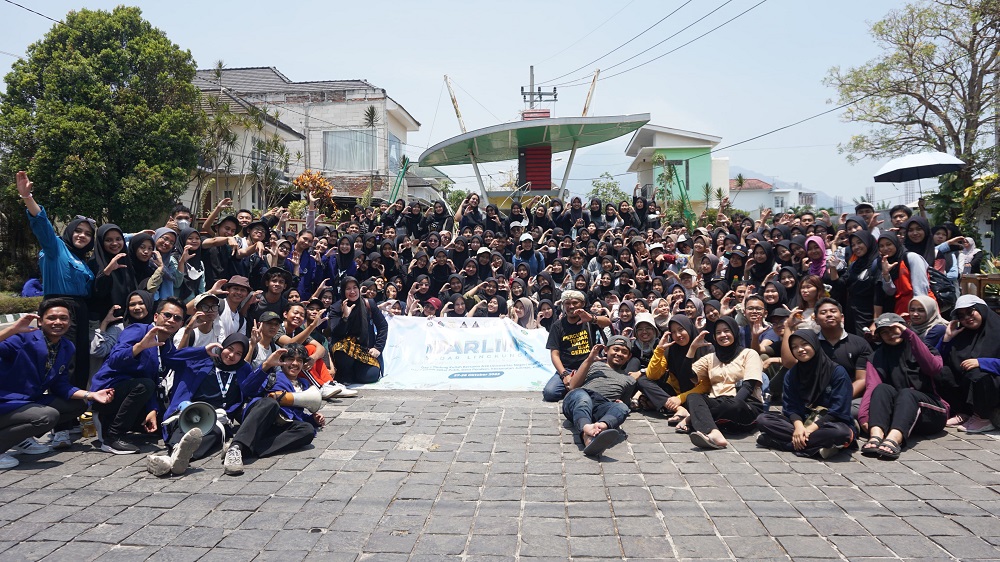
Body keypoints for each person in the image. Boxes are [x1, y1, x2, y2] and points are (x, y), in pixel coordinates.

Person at [0, 300, 114, 469]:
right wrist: (11, 330)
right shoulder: (21, 339)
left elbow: (61, 385)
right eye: (51, 318)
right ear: (40, 321)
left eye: (63, 318)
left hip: (28, 401)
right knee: (47, 416)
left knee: (79, 404)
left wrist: (91, 394)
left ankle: (19, 438)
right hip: (6, 402)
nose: (58, 322)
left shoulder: (66, 347)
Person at [18, 171, 96, 390]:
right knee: (63, 360)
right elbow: (41, 226)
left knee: (80, 359)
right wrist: (27, 198)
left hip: (80, 309)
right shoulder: (56, 248)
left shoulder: (83, 260)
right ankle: (61, 413)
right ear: (70, 232)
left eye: (88, 234)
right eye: (78, 231)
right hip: (59, 306)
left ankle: (77, 408)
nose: (82, 236)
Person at [147, 334, 255, 476]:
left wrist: (265, 368)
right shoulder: (201, 361)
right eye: (230, 349)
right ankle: (176, 455)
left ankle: (170, 460)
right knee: (181, 426)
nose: (232, 355)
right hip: (189, 409)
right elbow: (171, 358)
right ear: (222, 347)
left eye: (238, 353)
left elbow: (254, 389)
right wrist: (202, 350)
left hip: (217, 418)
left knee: (213, 434)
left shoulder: (243, 369)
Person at [89, 297, 187, 454]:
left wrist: (152, 410)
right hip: (108, 393)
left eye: (177, 318)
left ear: (181, 324)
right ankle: (112, 437)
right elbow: (115, 360)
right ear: (156, 316)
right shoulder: (138, 330)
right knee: (145, 385)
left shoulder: (167, 345)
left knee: (164, 422)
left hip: (135, 396)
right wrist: (140, 347)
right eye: (167, 315)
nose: (171, 320)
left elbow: (158, 379)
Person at [225, 344, 325, 475]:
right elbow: (247, 388)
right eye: (290, 359)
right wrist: (266, 365)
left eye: (299, 360)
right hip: (261, 419)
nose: (295, 363)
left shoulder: (304, 384)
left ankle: (245, 449)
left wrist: (312, 419)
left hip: (281, 424)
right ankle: (236, 447)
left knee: (307, 430)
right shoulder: (272, 377)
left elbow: (297, 413)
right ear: (282, 361)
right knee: (270, 404)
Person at [859, 313, 948, 460]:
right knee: (882, 389)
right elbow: (872, 387)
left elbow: (934, 368)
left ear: (904, 328)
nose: (891, 334)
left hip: (931, 412)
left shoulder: (924, 348)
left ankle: (894, 439)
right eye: (885, 332)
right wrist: (864, 417)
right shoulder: (876, 357)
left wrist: (910, 336)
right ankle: (876, 436)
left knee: (907, 393)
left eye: (894, 329)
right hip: (899, 414)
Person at [756, 329, 855, 458]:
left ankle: (782, 443)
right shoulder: (792, 374)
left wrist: (809, 430)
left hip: (828, 423)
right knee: (763, 419)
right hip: (801, 421)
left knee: (841, 433)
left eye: (804, 344)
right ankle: (818, 447)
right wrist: (799, 428)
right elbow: (791, 407)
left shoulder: (836, 372)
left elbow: (838, 411)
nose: (800, 349)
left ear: (814, 344)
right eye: (795, 347)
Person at [685, 317, 765, 449]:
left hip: (744, 404)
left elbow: (749, 386)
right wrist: (692, 348)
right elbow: (688, 375)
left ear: (734, 332)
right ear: (715, 337)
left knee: (732, 406)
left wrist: (732, 403)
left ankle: (697, 418)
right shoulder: (711, 358)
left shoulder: (749, 354)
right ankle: (714, 432)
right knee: (692, 397)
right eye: (718, 333)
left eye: (726, 331)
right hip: (718, 401)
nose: (723, 335)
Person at [562, 336, 638, 457]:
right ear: (606, 350)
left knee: (623, 408)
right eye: (616, 349)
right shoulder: (594, 365)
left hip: (602, 406)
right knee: (583, 399)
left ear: (628, 357)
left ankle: (599, 427)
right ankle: (586, 429)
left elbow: (623, 403)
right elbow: (573, 386)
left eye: (624, 352)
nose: (619, 354)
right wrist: (589, 360)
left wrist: (621, 405)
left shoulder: (630, 380)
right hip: (580, 397)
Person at [937, 295, 1000, 433]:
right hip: (969, 383)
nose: (967, 318)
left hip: (994, 383)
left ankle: (983, 418)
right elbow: (936, 360)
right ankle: (963, 412)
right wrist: (947, 339)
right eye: (961, 315)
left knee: (977, 373)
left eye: (970, 312)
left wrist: (982, 362)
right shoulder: (962, 334)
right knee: (943, 372)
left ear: (982, 310)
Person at [542, 290, 612, 402]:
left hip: (589, 366)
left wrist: (592, 319)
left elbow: (607, 322)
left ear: (582, 304)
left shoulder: (589, 319)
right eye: (567, 303)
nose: (571, 306)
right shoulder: (557, 326)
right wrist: (564, 375)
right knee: (550, 393)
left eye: (575, 303)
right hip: (567, 368)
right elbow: (554, 354)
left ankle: (576, 388)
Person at [328, 276, 388, 385]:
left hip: (365, 349)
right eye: (348, 289)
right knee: (342, 350)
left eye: (355, 287)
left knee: (370, 376)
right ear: (343, 291)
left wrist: (378, 347)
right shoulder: (336, 308)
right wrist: (345, 317)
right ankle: (345, 372)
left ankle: (354, 372)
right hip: (344, 352)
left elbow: (383, 326)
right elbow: (336, 332)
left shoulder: (369, 304)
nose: (352, 291)